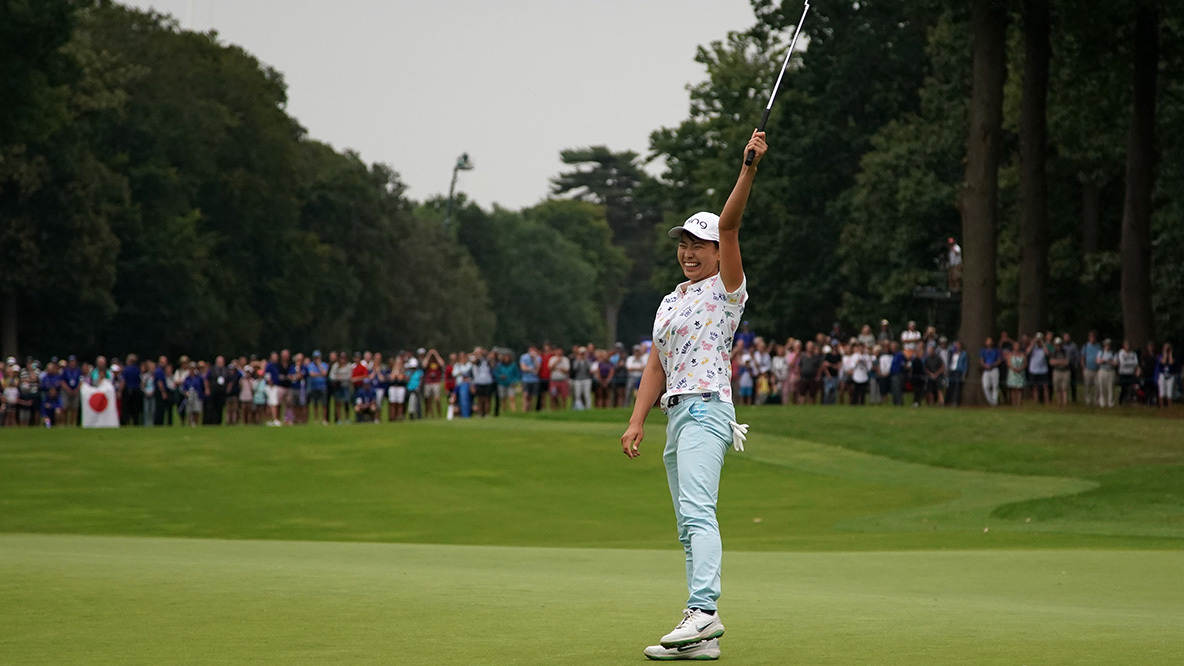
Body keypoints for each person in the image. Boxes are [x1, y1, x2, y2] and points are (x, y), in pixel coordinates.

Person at [621, 129, 764, 661]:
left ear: (714, 250)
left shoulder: (727, 290)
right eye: (682, 245)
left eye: (696, 245)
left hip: (708, 408)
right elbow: (656, 361)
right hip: (676, 414)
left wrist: (747, 168)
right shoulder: (672, 299)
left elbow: (730, 224)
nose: (687, 253)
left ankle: (703, 611)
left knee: (699, 512)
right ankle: (700, 642)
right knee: (687, 522)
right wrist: (637, 420)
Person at [1080, 331, 1101, 406]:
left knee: (1097, 386)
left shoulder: (1098, 346)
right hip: (1088, 369)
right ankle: (1088, 401)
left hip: (1097, 370)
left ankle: (1096, 401)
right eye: (1091, 337)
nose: (1093, 338)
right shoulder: (1085, 346)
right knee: (1087, 386)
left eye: (1094, 337)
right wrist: (1083, 369)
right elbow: (1082, 358)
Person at [1116, 340, 1139, 405]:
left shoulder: (1133, 353)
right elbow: (1123, 363)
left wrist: (1128, 363)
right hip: (1123, 373)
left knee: (1131, 388)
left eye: (1128, 345)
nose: (1128, 347)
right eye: (1126, 345)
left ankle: (1129, 401)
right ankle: (1121, 402)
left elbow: (1136, 363)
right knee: (1123, 389)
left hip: (1131, 373)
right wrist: (1131, 363)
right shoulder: (1121, 353)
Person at [1050, 338, 1072, 407]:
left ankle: (1064, 403)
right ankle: (1059, 403)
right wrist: (1061, 361)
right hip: (1057, 372)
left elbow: (1067, 362)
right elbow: (1051, 362)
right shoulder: (1053, 352)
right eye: (1057, 345)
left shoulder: (1065, 352)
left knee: (1064, 388)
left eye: (1059, 345)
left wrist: (1057, 362)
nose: (1058, 346)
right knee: (1057, 388)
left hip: (1065, 372)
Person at [1096, 339, 1118, 407]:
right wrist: (1104, 361)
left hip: (1110, 371)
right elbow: (1098, 361)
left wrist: (1109, 362)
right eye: (1106, 345)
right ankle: (1102, 402)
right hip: (1103, 371)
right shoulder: (1101, 352)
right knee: (1102, 386)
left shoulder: (1113, 353)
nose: (1107, 346)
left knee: (1110, 387)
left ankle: (1110, 403)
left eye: (1108, 345)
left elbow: (1115, 363)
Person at [946, 341, 968, 406]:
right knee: (950, 386)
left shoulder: (964, 354)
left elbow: (965, 365)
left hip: (959, 371)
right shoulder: (952, 353)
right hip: (952, 371)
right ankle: (948, 401)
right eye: (956, 345)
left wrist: (964, 374)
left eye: (958, 345)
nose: (957, 347)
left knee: (957, 387)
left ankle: (955, 401)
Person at [519, 346, 540, 412]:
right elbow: (523, 368)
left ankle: (529, 409)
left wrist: (535, 359)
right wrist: (530, 369)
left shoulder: (538, 358)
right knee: (526, 395)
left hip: (534, 379)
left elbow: (537, 369)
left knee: (531, 396)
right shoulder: (524, 357)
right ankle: (524, 409)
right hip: (526, 379)